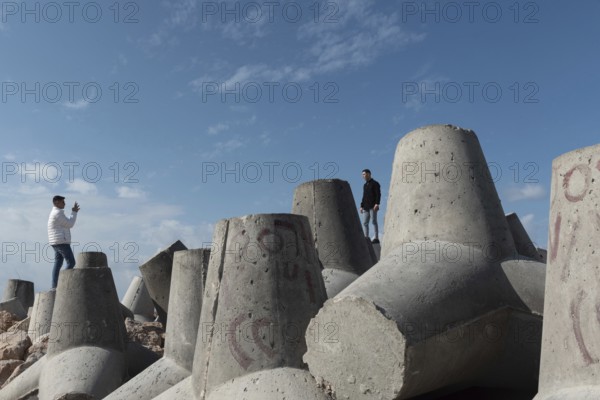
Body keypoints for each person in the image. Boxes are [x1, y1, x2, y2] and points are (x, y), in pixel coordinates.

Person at [48, 195, 80, 289]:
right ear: (56, 202)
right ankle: (62, 284)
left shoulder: (56, 212)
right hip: (61, 241)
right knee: (71, 262)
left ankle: (54, 286)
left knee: (58, 263)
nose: (64, 203)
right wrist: (74, 212)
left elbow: (66, 224)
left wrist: (73, 212)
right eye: (62, 202)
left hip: (56, 241)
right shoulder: (58, 213)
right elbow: (70, 224)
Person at [360, 169, 381, 243]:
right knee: (365, 223)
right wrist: (361, 206)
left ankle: (376, 238)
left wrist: (377, 203)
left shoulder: (375, 183)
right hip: (365, 207)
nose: (363, 176)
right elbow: (364, 196)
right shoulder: (365, 185)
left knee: (374, 221)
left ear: (369, 174)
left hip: (373, 206)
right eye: (362, 174)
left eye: (364, 174)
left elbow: (378, 194)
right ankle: (366, 238)